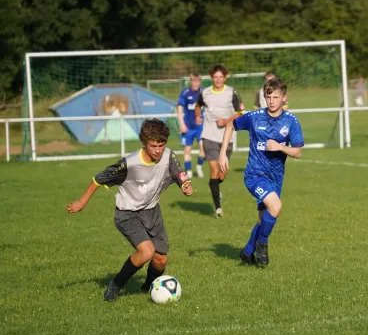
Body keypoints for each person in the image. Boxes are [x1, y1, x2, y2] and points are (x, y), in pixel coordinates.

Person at [66, 119, 193, 301]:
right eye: (153, 145)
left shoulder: (168, 156)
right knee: (146, 252)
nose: (158, 150)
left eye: (161, 145)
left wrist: (186, 185)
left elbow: (179, 173)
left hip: (151, 212)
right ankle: (115, 286)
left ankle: (148, 289)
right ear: (144, 142)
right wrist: (81, 202)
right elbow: (98, 179)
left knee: (161, 260)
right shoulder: (129, 164)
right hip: (127, 214)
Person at [218, 77, 303, 266]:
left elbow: (297, 152)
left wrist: (281, 147)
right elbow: (231, 125)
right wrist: (223, 154)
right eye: (268, 97)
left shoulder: (291, 121)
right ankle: (262, 244)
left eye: (275, 97)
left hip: (276, 177)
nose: (271, 101)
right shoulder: (255, 117)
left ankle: (247, 252)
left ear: (284, 98)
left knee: (264, 218)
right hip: (255, 175)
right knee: (276, 207)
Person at [194, 64, 245, 218]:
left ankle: (216, 188)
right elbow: (198, 106)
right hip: (209, 135)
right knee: (214, 169)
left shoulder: (232, 93)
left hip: (227, 137)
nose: (217, 79)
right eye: (215, 77)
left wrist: (227, 121)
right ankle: (217, 208)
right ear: (211, 78)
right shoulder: (205, 92)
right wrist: (198, 115)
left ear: (225, 78)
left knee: (221, 174)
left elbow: (241, 112)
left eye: (220, 77)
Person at [177, 72, 205, 179]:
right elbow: (179, 109)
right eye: (194, 81)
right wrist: (182, 124)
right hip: (188, 126)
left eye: (198, 81)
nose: (196, 83)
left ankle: (199, 167)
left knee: (203, 147)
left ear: (200, 81)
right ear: (190, 81)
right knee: (187, 150)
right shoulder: (185, 93)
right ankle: (188, 171)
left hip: (200, 126)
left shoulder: (203, 92)